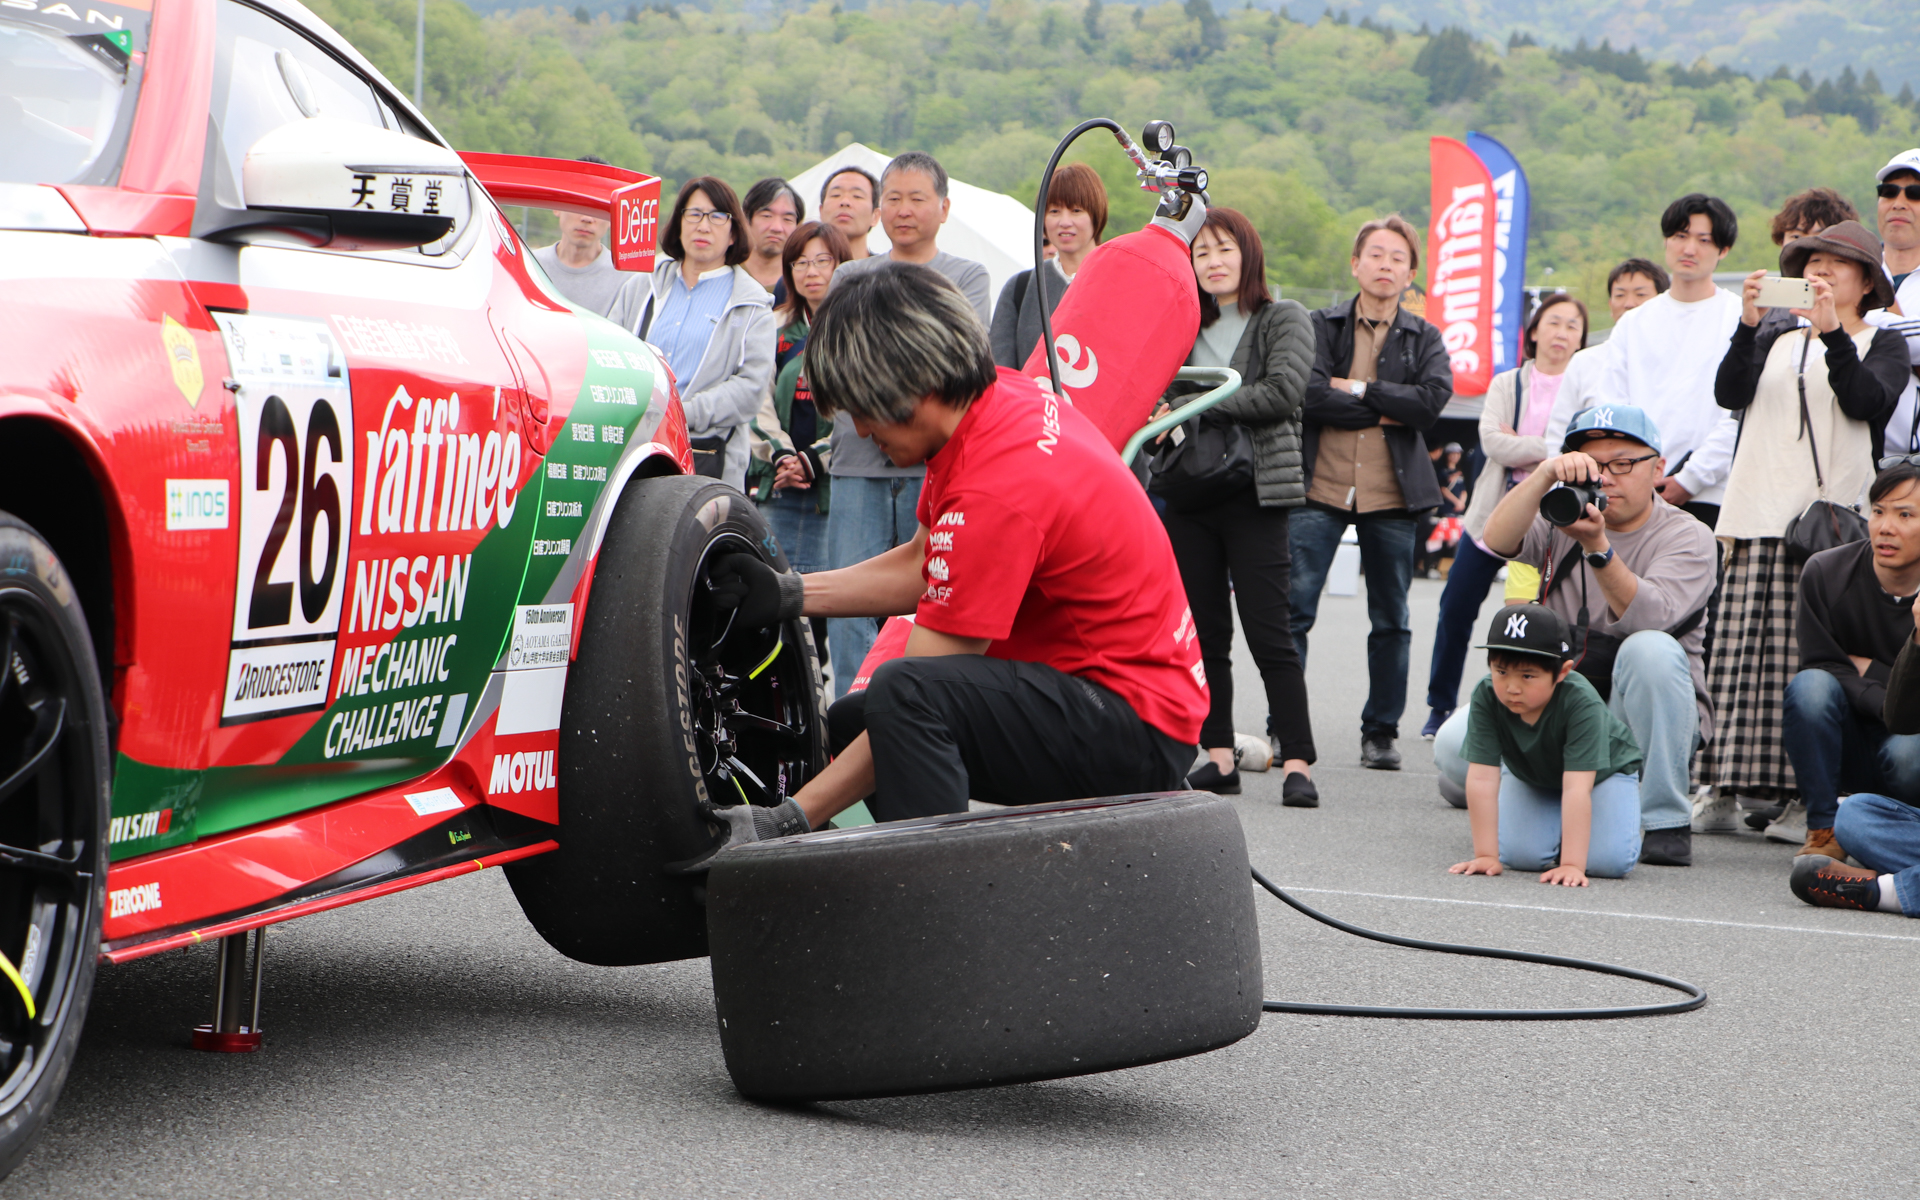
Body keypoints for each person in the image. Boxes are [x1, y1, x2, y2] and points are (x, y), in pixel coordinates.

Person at [697, 262, 1206, 841]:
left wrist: (787, 819)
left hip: (1136, 726)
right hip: (1110, 692)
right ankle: (935, 871)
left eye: (864, 410)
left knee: (899, 695)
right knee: (850, 719)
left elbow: (919, 688)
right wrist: (791, 593)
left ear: (914, 386)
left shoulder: (998, 488)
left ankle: (943, 902)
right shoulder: (995, 402)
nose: (862, 433)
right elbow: (922, 563)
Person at [1694, 221, 1908, 846]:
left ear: (1866, 280)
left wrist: (1834, 334)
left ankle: (1802, 799)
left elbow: (1867, 401)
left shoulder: (1882, 342)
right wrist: (1746, 323)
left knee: (1808, 661)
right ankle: (1720, 787)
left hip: (1832, 525)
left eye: (1836, 264)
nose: (1821, 271)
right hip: (1757, 510)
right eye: (1811, 261)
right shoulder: (1775, 334)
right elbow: (1727, 391)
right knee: (1738, 660)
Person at [1434, 407, 1717, 867]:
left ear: (1659, 468)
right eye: (1591, 463)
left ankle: (1664, 818)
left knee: (1651, 650)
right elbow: (1497, 538)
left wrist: (1598, 548)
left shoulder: (1688, 535)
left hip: (1633, 713)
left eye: (1622, 463)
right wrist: (1545, 474)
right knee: (1450, 749)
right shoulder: (1561, 514)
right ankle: (1552, 795)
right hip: (1556, 703)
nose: (1606, 477)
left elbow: (1651, 618)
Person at [1154, 206, 1318, 805]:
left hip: (1258, 495)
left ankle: (1297, 758)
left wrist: (1199, 403)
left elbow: (1282, 392)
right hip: (1190, 493)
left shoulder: (1283, 318)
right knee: (1203, 634)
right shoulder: (1181, 323)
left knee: (1270, 631)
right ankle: (1218, 753)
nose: (1213, 262)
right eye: (1201, 253)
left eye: (1224, 250)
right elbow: (1158, 391)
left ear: (1248, 255)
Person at [822, 152, 994, 693]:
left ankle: (918, 713)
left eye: (917, 198)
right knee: (850, 613)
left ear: (944, 208)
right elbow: (839, 362)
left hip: (936, 467)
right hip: (855, 464)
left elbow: (963, 367)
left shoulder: (967, 275)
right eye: (892, 198)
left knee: (933, 597)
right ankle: (851, 720)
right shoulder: (851, 274)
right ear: (877, 211)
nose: (904, 210)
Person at [1291, 215, 1454, 770]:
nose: (1386, 265)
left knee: (1392, 618)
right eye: (1376, 255)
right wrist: (1388, 404)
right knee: (1294, 611)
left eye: (1398, 258)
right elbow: (1307, 394)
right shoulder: (1319, 323)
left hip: (1393, 493)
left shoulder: (1424, 336)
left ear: (1412, 273)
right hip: (1321, 485)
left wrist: (1357, 388)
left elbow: (1429, 404)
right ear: (1355, 263)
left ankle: (1380, 732)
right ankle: (1284, 727)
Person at [1422, 294, 1591, 738]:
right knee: (1456, 606)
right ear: (1534, 331)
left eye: (1573, 325)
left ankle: (1541, 712)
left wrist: (1531, 442)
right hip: (1497, 511)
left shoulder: (1588, 384)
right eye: (1554, 322)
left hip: (1557, 519)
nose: (1562, 332)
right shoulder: (1509, 383)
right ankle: (1439, 706)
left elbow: (1587, 450)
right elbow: (1494, 442)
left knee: (1547, 615)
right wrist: (1553, 448)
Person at [1780, 462, 1920, 869]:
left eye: (1905, 514)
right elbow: (1823, 666)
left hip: (1911, 744)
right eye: (1878, 511)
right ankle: (1824, 830)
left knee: (1909, 750)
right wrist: (1892, 693)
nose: (1885, 527)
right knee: (1810, 687)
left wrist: (1870, 671)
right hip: (1852, 742)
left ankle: (1899, 833)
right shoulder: (1825, 572)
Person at [1447, 603, 1645, 885]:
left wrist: (1572, 864)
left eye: (1527, 675)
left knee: (1608, 863)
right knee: (1519, 857)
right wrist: (1486, 855)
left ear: (1562, 671)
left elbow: (1577, 787)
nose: (1512, 687)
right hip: (1533, 774)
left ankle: (1577, 835)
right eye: (1501, 672)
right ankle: (1561, 827)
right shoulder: (1487, 693)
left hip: (1601, 775)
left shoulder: (1580, 700)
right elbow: (1481, 777)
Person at [612, 176, 774, 491]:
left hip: (705, 455)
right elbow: (609, 354)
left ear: (733, 232)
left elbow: (750, 389)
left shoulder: (751, 304)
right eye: (694, 214)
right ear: (679, 222)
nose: (703, 226)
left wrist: (682, 414)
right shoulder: (641, 287)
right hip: (632, 447)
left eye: (717, 216)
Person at [1593, 195, 1745, 528]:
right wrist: (1634, 473)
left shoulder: (1740, 318)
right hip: (1636, 494)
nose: (1689, 248)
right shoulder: (1634, 324)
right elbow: (1611, 406)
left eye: (1703, 240)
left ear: (1723, 250)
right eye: (1680, 236)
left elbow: (1741, 415)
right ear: (1666, 241)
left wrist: (1690, 479)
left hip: (1712, 495)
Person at [747, 220, 852, 576]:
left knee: (837, 597)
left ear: (842, 265)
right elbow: (755, 399)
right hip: (780, 479)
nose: (812, 272)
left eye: (823, 261)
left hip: (837, 485)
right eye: (801, 262)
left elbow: (860, 411)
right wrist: (784, 456)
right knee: (771, 587)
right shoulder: (772, 326)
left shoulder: (860, 327)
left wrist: (814, 459)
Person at [990, 162, 1107, 368]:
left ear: (1096, 215)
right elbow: (1002, 371)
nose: (1064, 221)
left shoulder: (1120, 282)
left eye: (1076, 210)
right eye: (1054, 211)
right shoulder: (1020, 288)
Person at [530, 157, 626, 317]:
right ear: (557, 206)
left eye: (598, 206)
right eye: (579, 203)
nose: (587, 218)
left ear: (612, 216)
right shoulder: (530, 266)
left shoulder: (626, 279)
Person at [1870, 151, 1920, 455]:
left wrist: (1857, 323)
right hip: (1853, 458)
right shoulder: (1850, 268)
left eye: (1915, 193)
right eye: (1888, 191)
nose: (1898, 202)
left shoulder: (1852, 279)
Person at [740, 177, 805, 300]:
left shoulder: (802, 283)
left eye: (787, 219)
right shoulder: (726, 271)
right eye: (767, 216)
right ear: (746, 220)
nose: (777, 228)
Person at [818, 165, 879, 260]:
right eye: (836, 195)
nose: (845, 202)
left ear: (875, 216)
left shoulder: (889, 272)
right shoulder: (805, 271)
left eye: (857, 196)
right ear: (821, 212)